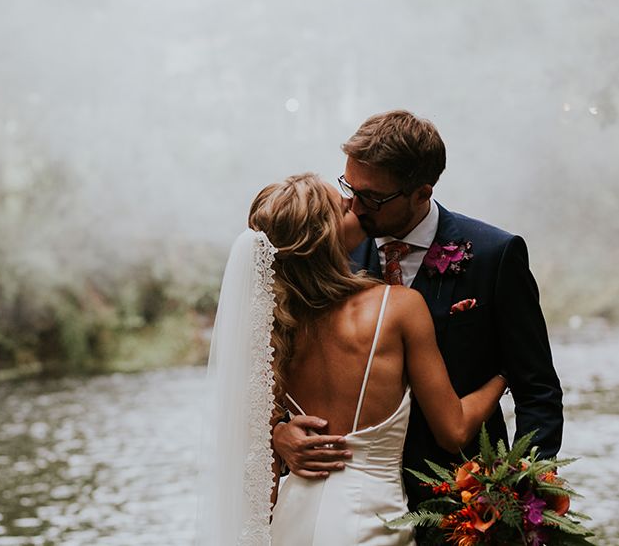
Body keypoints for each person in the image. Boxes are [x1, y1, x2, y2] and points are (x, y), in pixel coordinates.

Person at [272, 111, 564, 517]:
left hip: (466, 504)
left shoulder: (494, 256)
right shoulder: (332, 256)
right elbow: (293, 367)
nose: (354, 205)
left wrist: (522, 491)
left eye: (372, 197)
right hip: (352, 504)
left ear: (421, 192)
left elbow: (538, 392)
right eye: (349, 187)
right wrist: (279, 434)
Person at [196, 172, 506, 545]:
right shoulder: (399, 308)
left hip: (292, 520)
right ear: (326, 237)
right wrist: (504, 374)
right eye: (340, 206)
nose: (352, 203)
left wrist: (278, 432)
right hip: (367, 522)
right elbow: (453, 430)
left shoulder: (277, 327)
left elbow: (252, 439)